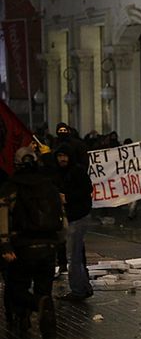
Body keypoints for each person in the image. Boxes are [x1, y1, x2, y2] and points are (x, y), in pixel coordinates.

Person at [1, 147, 62, 338]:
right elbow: (62, 217)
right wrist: (58, 242)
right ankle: (45, 317)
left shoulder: (11, 187)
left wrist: (4, 244)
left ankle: (32, 308)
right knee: (44, 287)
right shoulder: (49, 186)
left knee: (17, 288)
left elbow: (2, 217)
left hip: (22, 246)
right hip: (49, 246)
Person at [53, 144, 94, 302]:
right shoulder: (60, 173)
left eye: (65, 156)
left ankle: (78, 290)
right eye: (59, 156)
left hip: (77, 217)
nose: (62, 159)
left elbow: (86, 190)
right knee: (77, 255)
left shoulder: (77, 171)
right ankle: (83, 287)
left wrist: (67, 198)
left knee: (73, 256)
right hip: (71, 217)